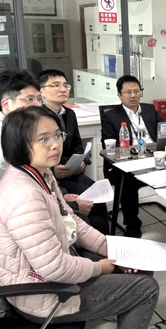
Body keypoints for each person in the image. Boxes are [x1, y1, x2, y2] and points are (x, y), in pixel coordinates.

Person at [0, 107, 160, 329]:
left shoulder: (40, 174)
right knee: (147, 290)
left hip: (55, 271)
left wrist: (111, 248)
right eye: (43, 139)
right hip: (43, 294)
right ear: (19, 144)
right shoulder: (23, 195)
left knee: (139, 261)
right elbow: (55, 268)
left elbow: (71, 220)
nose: (55, 144)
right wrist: (102, 266)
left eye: (57, 135)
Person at [101, 75, 166, 246]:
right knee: (128, 183)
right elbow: (110, 146)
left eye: (136, 91)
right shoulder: (111, 116)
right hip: (129, 162)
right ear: (119, 95)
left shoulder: (149, 110)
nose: (133, 95)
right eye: (128, 92)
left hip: (156, 158)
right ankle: (132, 225)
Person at [38, 69, 109, 234]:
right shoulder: (37, 117)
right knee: (89, 199)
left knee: (98, 195)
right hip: (50, 178)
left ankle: (103, 239)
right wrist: (53, 170)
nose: (63, 89)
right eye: (56, 85)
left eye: (65, 85)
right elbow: (36, 155)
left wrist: (82, 161)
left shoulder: (69, 114)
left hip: (71, 173)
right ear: (41, 92)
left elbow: (77, 144)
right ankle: (90, 238)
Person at [0, 70, 45, 207]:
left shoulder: (17, 128)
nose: (38, 105)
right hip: (4, 210)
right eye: (30, 99)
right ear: (6, 104)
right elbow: (18, 194)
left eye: (39, 99)